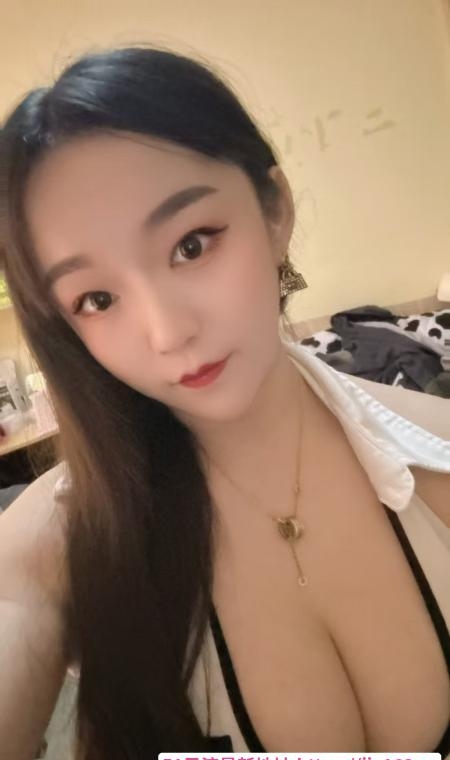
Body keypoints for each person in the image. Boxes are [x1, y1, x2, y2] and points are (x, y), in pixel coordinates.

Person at [0, 46, 448, 760]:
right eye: (97, 299)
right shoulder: (63, 544)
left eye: (191, 245)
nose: (167, 333)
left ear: (275, 210)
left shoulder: (435, 454)